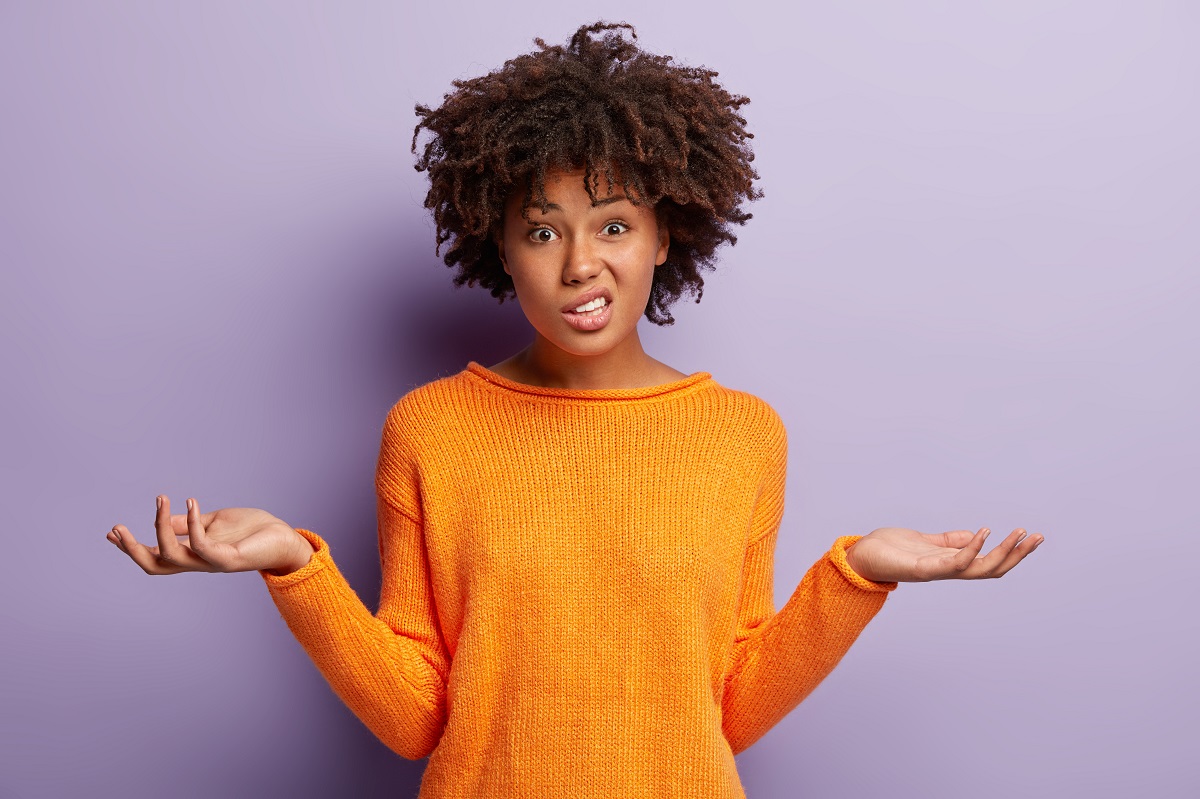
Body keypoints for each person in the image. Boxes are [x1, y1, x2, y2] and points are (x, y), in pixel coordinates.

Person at [106, 20, 1044, 798]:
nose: (580, 264)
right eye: (543, 229)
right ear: (501, 247)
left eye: (615, 224)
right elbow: (417, 718)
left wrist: (857, 575)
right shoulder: (430, 429)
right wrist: (292, 566)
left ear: (666, 233)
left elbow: (727, 707)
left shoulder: (743, 435)